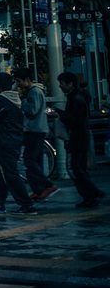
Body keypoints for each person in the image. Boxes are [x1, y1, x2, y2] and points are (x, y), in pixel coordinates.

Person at [0, 72, 36, 214]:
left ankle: (26, 204)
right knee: (3, 173)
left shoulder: (1, 101)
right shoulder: (16, 98)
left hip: (4, 141)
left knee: (10, 174)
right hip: (15, 139)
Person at [58, 71, 101, 208]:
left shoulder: (75, 99)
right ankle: (90, 195)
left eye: (62, 84)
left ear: (70, 84)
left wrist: (60, 114)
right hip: (80, 136)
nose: (60, 86)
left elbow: (75, 120)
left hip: (78, 136)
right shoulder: (79, 96)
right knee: (78, 168)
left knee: (77, 168)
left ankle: (92, 193)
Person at [14, 67, 57, 201]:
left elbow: (32, 110)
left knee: (29, 160)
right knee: (35, 161)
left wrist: (22, 102)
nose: (18, 85)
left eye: (19, 81)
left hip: (35, 130)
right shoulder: (34, 91)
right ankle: (38, 190)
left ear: (27, 80)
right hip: (36, 129)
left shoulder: (34, 92)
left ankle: (47, 185)